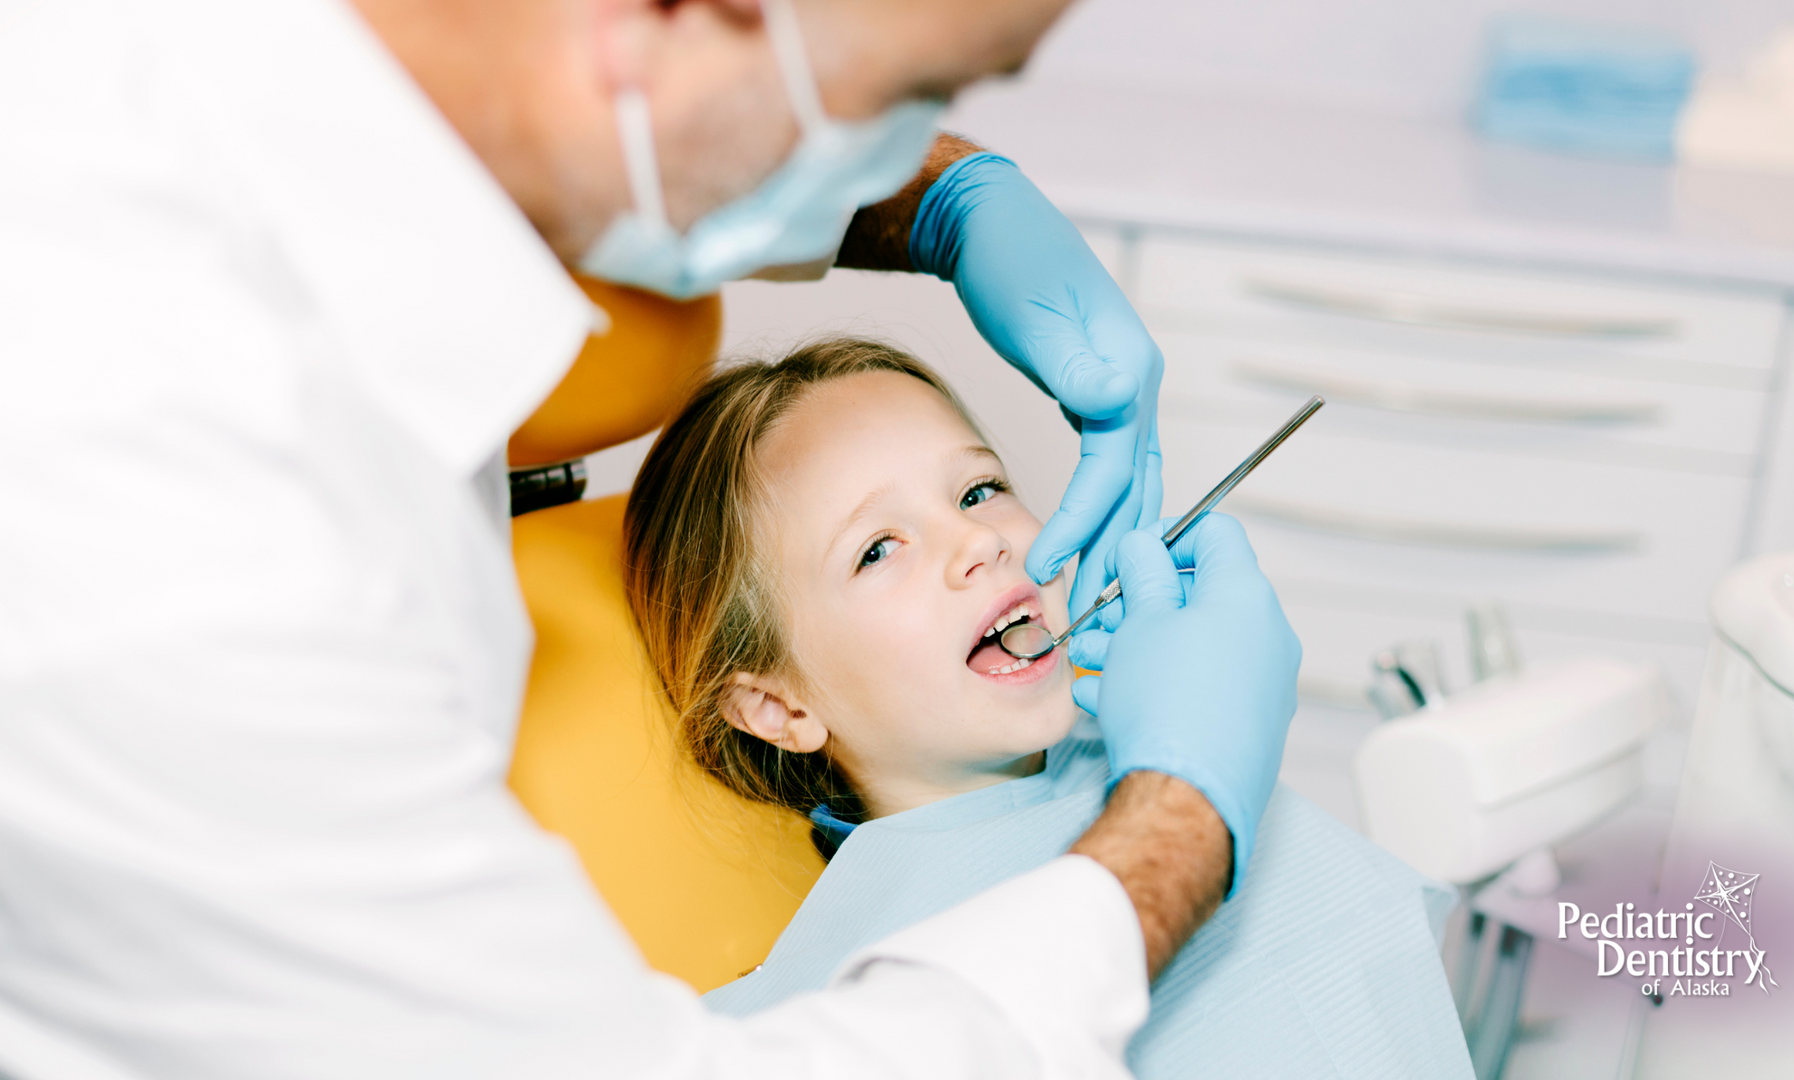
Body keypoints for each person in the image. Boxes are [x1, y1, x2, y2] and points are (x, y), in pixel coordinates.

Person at [0, 0, 1302, 1078]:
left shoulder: (262, 67)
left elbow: (620, 134)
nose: (910, 151)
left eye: (973, 493)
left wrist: (947, 205)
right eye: (910, 100)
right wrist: (1178, 824)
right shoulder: (162, 557)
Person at [621, 338, 1472, 1078]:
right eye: (878, 548)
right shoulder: (833, 1015)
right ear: (777, 706)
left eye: (978, 490)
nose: (978, 541)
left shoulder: (1157, 739)